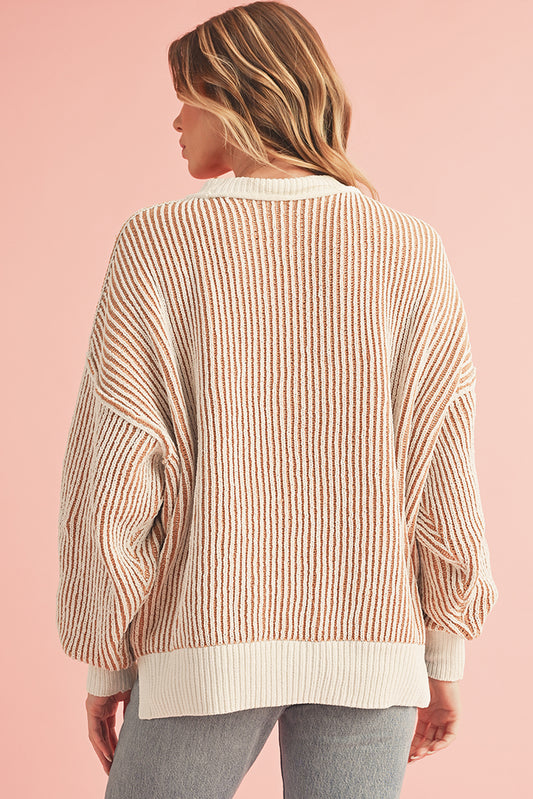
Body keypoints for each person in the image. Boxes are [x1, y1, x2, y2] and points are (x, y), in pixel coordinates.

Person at [55, 2, 499, 797]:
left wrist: (107, 660)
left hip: (203, 646)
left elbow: (115, 466)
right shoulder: (408, 247)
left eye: (187, 97)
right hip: (375, 650)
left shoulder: (158, 243)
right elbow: (441, 467)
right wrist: (441, 654)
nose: (176, 120)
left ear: (233, 95)